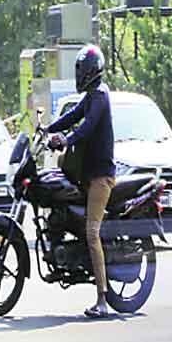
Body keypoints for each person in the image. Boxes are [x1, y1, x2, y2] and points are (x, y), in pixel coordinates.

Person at [45, 45, 115, 318]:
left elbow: (86, 127)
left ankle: (102, 299)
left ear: (90, 71)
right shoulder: (90, 96)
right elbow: (73, 116)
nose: (79, 74)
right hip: (88, 174)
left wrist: (66, 139)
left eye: (81, 70)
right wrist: (49, 129)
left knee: (92, 233)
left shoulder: (100, 96)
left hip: (101, 177)